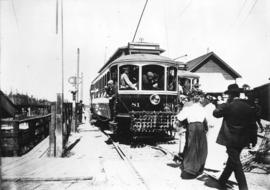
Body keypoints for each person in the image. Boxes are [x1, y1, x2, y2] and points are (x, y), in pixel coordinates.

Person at [213, 84, 257, 190]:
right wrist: (253, 140)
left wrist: (224, 104)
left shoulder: (228, 106)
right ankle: (222, 180)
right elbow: (253, 125)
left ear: (231, 95)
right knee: (232, 160)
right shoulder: (248, 107)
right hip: (242, 139)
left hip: (230, 139)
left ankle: (243, 187)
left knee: (236, 162)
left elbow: (215, 113)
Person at [176, 91, 208, 179]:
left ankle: (190, 169)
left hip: (192, 127)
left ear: (192, 99)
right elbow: (206, 119)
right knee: (201, 148)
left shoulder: (188, 108)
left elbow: (180, 117)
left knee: (192, 147)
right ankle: (199, 168)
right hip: (201, 127)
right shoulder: (202, 108)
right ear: (199, 100)